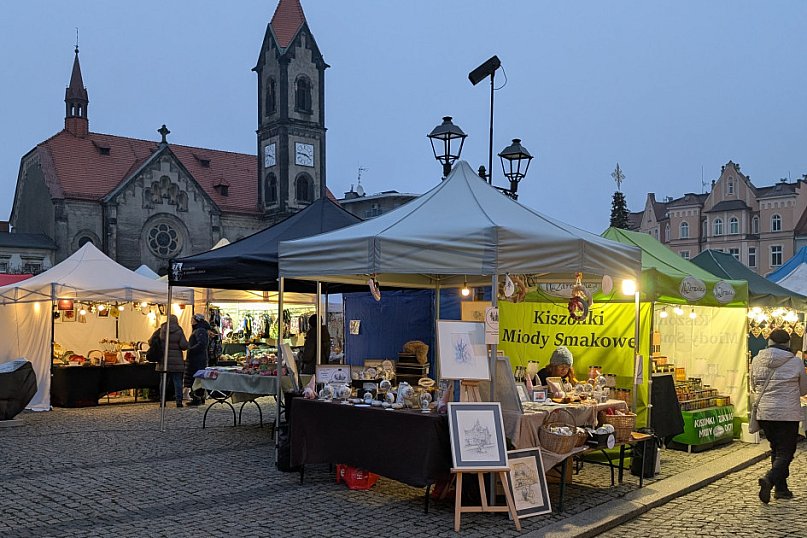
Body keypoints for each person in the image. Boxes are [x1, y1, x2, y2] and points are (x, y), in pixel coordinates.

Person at [751, 328, 807, 503]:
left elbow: (753, 385)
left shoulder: (756, 360)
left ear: (769, 342)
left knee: (776, 448)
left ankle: (781, 489)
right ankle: (769, 479)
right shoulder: (796, 362)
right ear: (787, 343)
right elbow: (804, 390)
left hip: (765, 412)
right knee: (786, 452)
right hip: (787, 413)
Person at [153, 314, 188, 408]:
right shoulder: (179, 331)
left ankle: (162, 402)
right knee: (177, 382)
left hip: (163, 361)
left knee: (163, 382)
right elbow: (184, 345)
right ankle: (179, 402)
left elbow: (151, 341)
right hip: (176, 362)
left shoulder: (161, 330)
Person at [185, 313, 210, 406]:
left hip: (197, 360)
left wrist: (191, 350)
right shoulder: (199, 330)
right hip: (197, 359)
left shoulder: (200, 330)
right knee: (196, 379)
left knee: (197, 379)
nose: (191, 321)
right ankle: (198, 397)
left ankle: (197, 398)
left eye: (192, 319)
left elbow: (202, 344)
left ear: (196, 320)